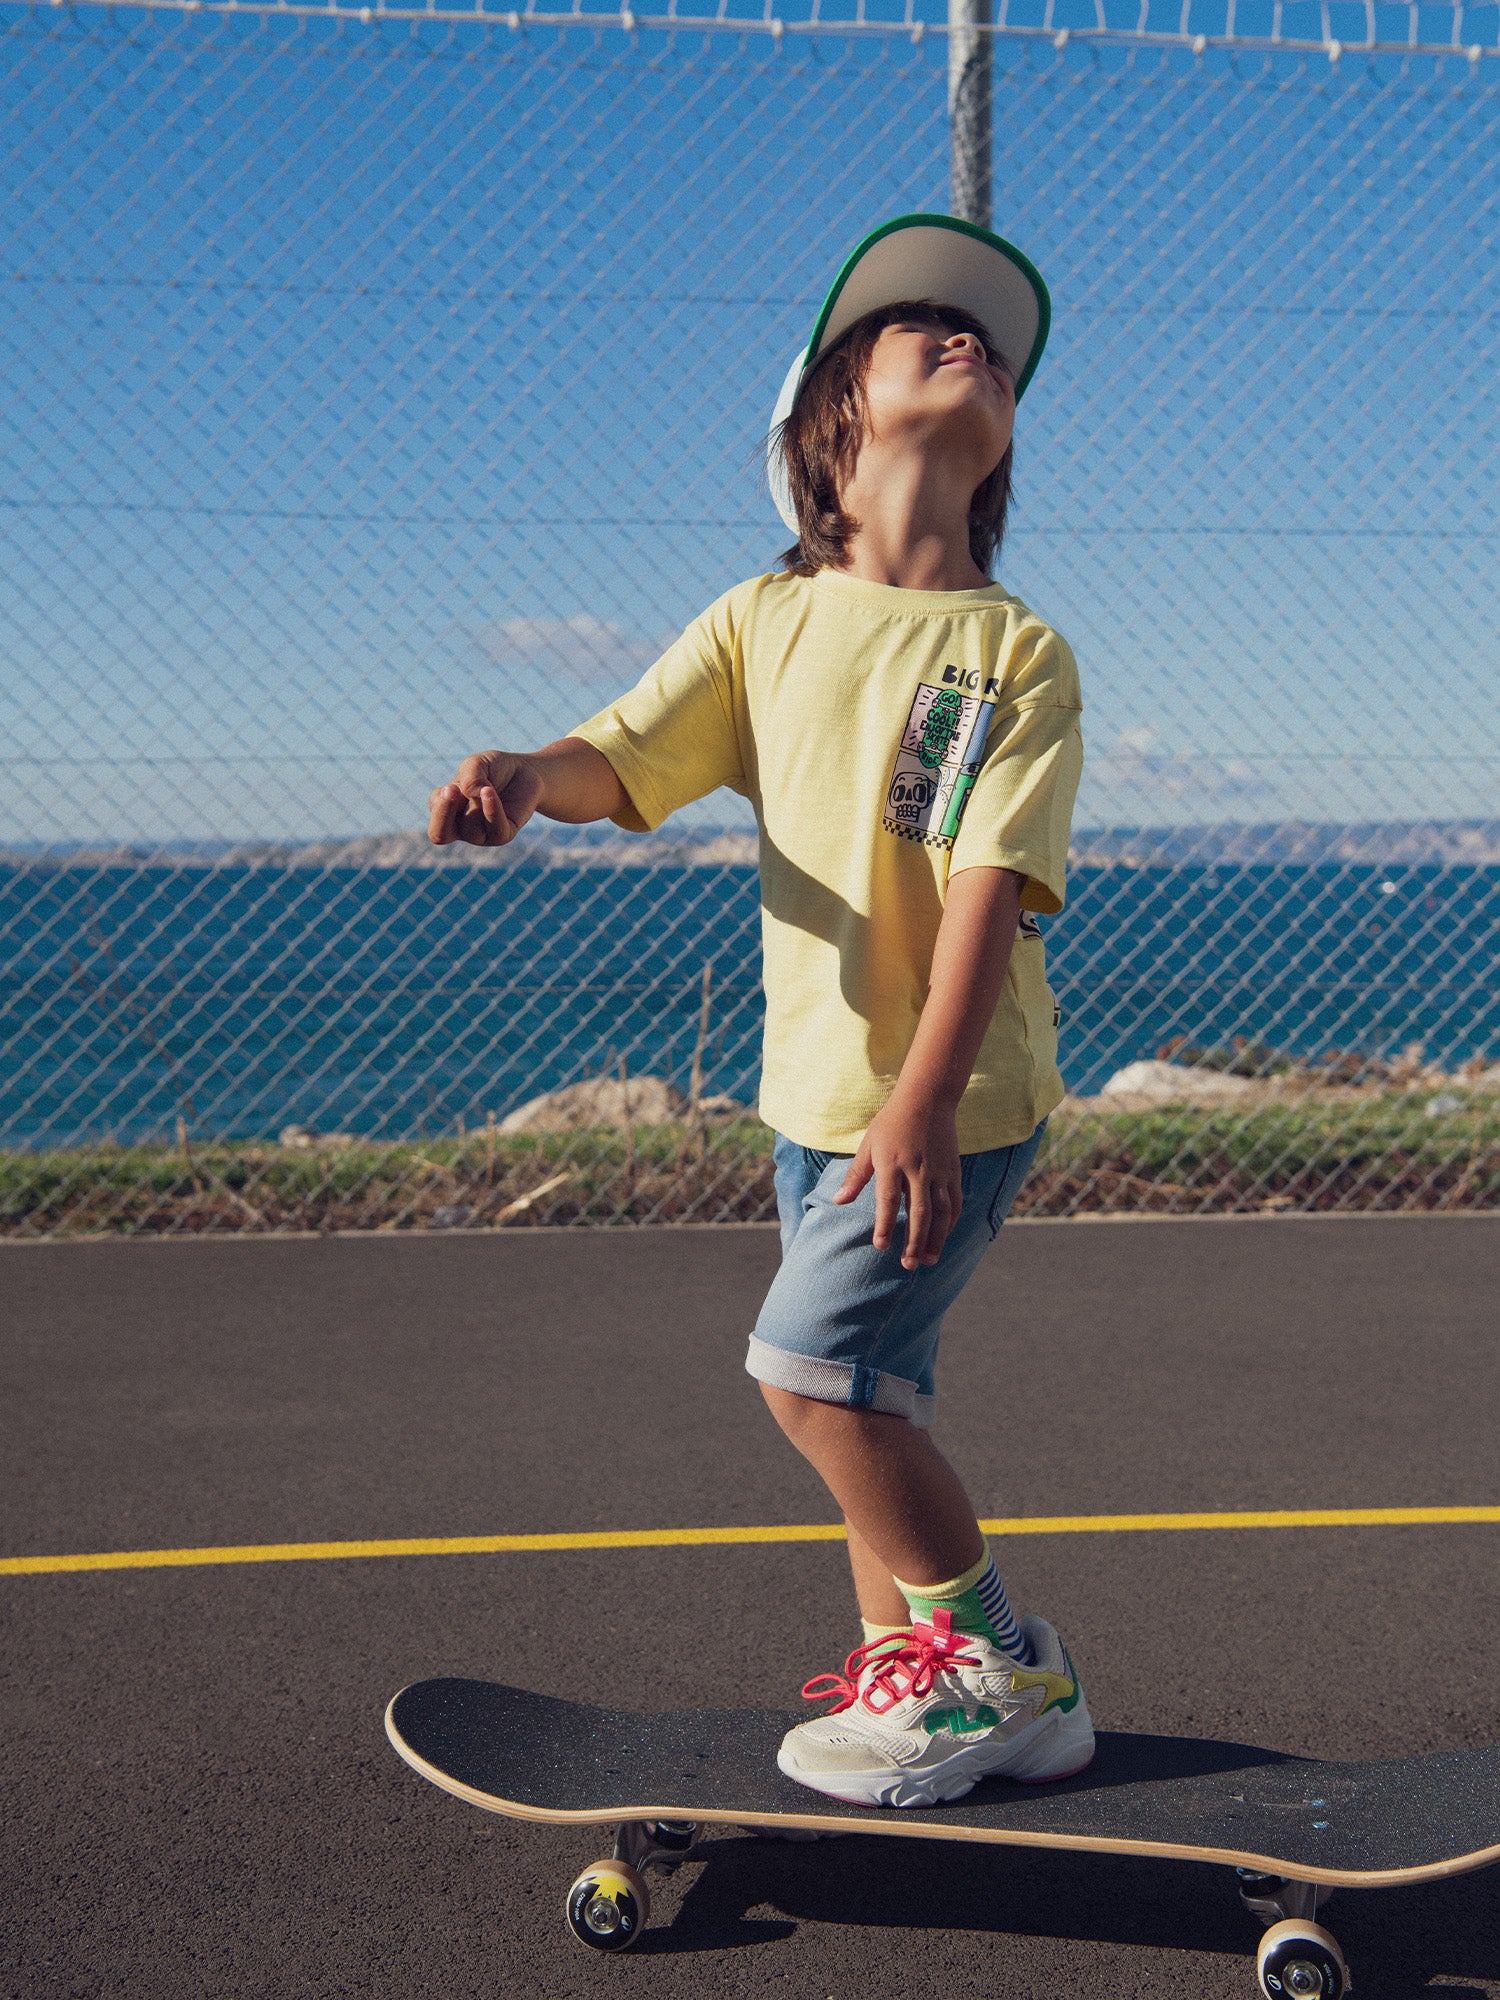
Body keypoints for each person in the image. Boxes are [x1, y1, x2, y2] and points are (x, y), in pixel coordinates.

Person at [427, 215, 1093, 1810]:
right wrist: (531, 777)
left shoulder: (1016, 654)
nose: (968, 341)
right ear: (831, 425)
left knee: (809, 1375)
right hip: (812, 1101)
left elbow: (992, 891)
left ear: (999, 446)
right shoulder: (764, 621)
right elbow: (626, 755)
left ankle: (1004, 1667)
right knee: (878, 1398)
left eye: (990, 345)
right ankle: (913, 1687)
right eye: (919, 325)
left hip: (948, 1104)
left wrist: (923, 1100)